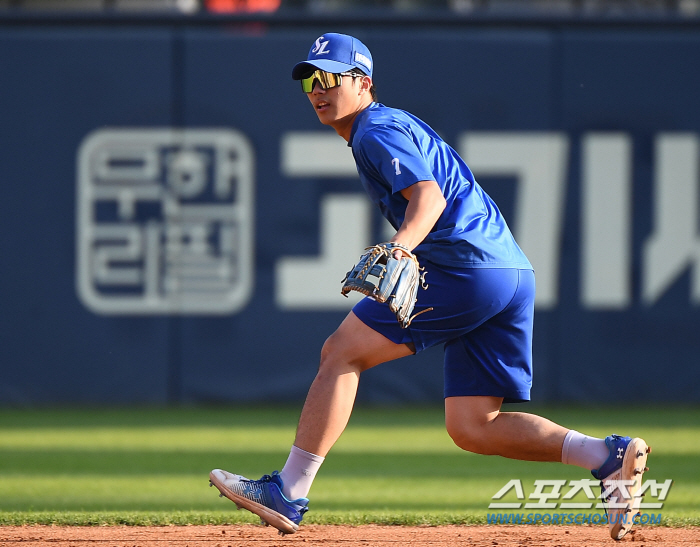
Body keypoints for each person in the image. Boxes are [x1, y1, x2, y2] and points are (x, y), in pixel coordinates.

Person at [210, 32, 650, 540]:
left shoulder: (375, 129)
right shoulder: (387, 125)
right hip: (509, 274)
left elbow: (428, 197)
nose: (317, 88)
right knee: (472, 426)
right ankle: (606, 455)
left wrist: (401, 248)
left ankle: (288, 489)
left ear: (364, 83)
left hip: (464, 269)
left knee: (341, 353)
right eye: (310, 78)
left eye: (331, 76)